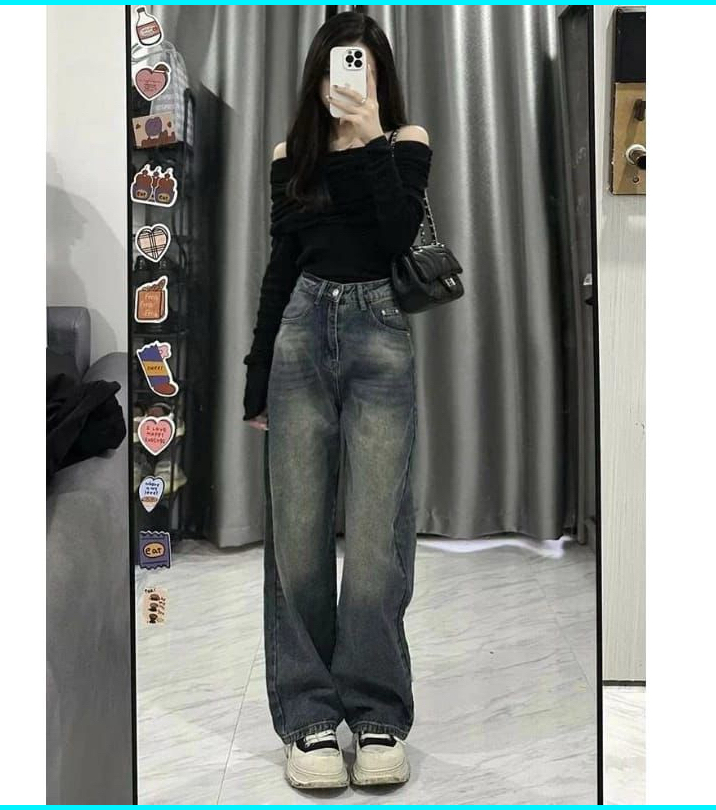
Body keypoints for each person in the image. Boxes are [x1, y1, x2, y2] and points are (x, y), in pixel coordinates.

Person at [242, 11, 432, 790]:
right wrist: (257, 373)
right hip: (299, 331)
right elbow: (281, 265)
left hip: (379, 331)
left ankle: (378, 712)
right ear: (317, 77)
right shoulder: (291, 156)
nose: (348, 80)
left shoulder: (407, 141)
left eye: (361, 66)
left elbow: (396, 237)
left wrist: (375, 137)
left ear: (378, 75)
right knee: (298, 532)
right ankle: (310, 717)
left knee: (380, 534)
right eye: (337, 67)